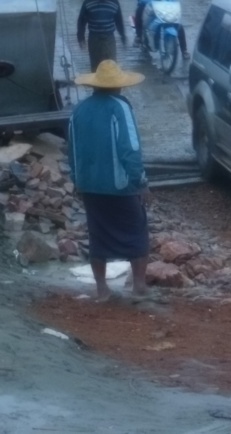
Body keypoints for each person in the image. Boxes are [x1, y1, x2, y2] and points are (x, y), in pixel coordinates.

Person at [67, 60, 151, 302]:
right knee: (137, 232)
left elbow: (72, 148)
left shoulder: (79, 110)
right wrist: (141, 181)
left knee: (98, 234)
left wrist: (76, 179)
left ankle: (102, 289)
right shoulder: (120, 107)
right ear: (117, 87)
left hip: (89, 185)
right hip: (119, 185)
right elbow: (130, 148)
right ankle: (139, 285)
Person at [76, 0, 126, 71]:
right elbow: (81, 21)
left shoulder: (114, 2)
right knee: (96, 64)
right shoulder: (88, 2)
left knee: (111, 63)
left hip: (109, 37)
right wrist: (81, 37)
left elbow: (119, 20)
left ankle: (111, 84)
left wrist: (123, 35)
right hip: (94, 37)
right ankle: (96, 85)